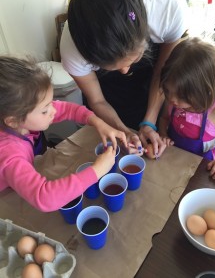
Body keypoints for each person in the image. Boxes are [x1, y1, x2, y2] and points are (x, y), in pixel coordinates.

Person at [60, 0, 188, 157]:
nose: (125, 71)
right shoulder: (72, 49)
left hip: (152, 80)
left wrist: (149, 122)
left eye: (133, 59)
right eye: (111, 67)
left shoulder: (167, 8)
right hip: (110, 94)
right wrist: (124, 131)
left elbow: (162, 74)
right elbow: (97, 101)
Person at [0, 56, 127, 211]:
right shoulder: (9, 154)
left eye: (51, 102)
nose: (53, 110)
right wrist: (98, 170)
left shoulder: (20, 120)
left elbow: (69, 109)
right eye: (45, 110)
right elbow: (44, 196)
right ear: (12, 121)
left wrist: (98, 122)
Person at [159, 37, 215, 179]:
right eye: (168, 90)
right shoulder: (171, 101)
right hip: (174, 160)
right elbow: (164, 118)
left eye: (182, 96)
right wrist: (163, 134)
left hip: (204, 168)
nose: (172, 99)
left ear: (205, 90)